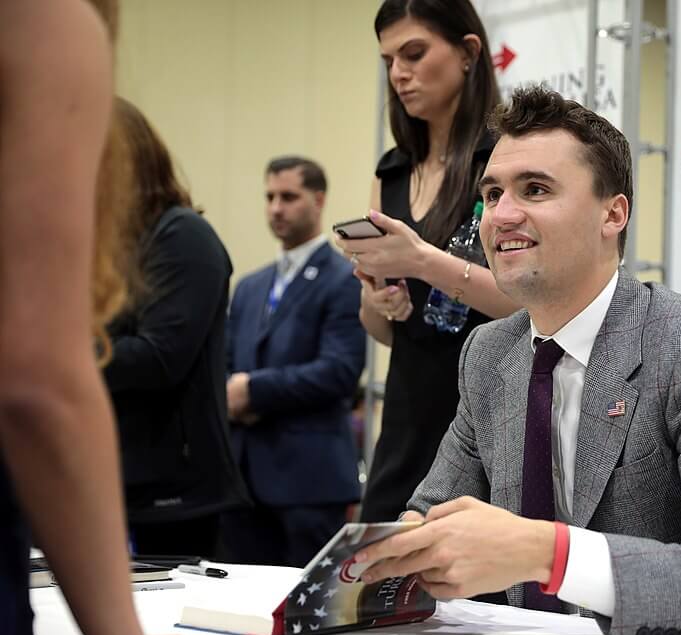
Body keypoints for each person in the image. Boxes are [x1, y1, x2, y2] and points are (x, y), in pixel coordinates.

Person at [355, 86, 681, 635]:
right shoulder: (489, 353)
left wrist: (548, 553)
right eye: (492, 194)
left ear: (612, 214)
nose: (502, 215)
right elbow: (429, 512)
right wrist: (399, 551)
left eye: (535, 189)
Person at [0, 1, 228, 635]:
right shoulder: (46, 24)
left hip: (172, 482)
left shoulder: (181, 236)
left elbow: (154, 355)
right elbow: (37, 372)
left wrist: (81, 347)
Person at [335, 0, 520, 523]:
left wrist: (421, 261)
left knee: (478, 594)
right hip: (406, 414)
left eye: (414, 53)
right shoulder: (391, 173)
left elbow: (526, 303)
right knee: (382, 581)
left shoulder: (504, 160)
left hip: (490, 406)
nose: (399, 74)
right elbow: (382, 327)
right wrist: (380, 299)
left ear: (468, 53)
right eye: (389, 61)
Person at [103, 97, 250, 557]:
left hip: (174, 495)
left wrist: (54, 351)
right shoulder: (113, 247)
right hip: (120, 479)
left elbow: (159, 358)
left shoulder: (181, 235)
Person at [220, 156, 365, 567]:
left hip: (309, 483)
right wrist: (230, 391)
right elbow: (225, 365)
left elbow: (339, 371)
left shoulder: (344, 278)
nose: (275, 208)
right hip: (243, 480)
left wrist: (251, 392)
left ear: (318, 200)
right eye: (269, 197)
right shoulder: (249, 286)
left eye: (288, 196)